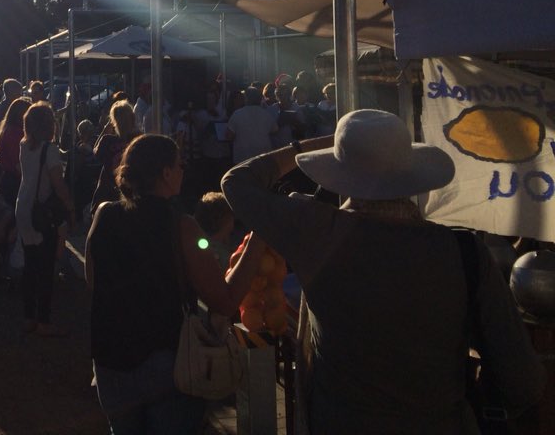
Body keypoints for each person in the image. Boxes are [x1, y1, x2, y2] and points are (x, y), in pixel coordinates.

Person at [221, 110, 547, 434]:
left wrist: (304, 148)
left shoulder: (318, 233)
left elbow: (237, 182)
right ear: (411, 175)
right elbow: (523, 382)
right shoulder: (464, 252)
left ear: (339, 174)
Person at [86, 134, 268, 434]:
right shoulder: (182, 226)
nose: (184, 171)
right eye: (179, 165)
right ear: (166, 173)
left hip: (110, 362)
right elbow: (224, 300)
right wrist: (258, 238)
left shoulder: (105, 214)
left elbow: (92, 280)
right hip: (165, 363)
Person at [15, 102, 75, 336]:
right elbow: (57, 183)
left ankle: (29, 316)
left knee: (30, 266)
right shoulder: (49, 150)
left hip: (24, 206)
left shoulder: (24, 146)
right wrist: (69, 206)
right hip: (42, 211)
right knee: (46, 268)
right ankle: (44, 319)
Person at [90, 99, 140, 215]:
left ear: (114, 121)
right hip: (131, 196)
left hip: (107, 195)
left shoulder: (107, 141)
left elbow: (95, 153)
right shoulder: (138, 141)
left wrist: (104, 131)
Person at [0, 96, 31, 208]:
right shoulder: (14, 133)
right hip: (13, 180)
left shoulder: (9, 129)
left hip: (10, 177)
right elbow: (17, 162)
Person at [225, 86, 278, 164]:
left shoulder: (237, 114)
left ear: (246, 98)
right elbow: (275, 130)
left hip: (243, 159)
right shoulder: (266, 114)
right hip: (263, 157)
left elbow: (229, 136)